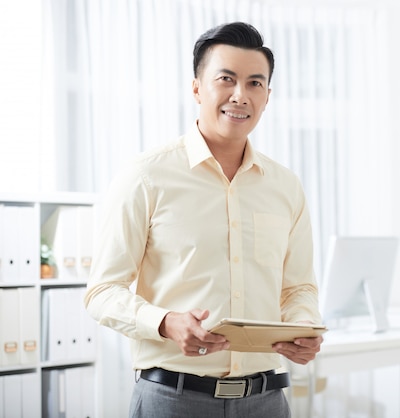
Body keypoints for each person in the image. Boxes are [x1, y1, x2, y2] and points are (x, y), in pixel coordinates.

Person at [84, 21, 324, 418]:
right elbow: (102, 291)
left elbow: (298, 287)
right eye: (225, 79)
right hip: (172, 399)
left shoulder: (285, 186)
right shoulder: (146, 175)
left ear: (267, 96)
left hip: (266, 401)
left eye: (254, 83)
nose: (239, 95)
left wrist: (302, 326)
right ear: (197, 88)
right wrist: (165, 322)